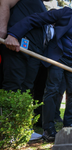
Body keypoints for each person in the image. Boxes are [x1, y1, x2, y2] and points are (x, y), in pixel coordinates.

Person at [4, 0, 72, 141]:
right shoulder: (66, 13)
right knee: (53, 89)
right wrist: (14, 33)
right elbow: (37, 18)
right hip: (57, 57)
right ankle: (48, 128)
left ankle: (68, 124)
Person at [0, 0, 51, 141]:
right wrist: (3, 31)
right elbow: (4, 2)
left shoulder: (41, 5)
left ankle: (22, 128)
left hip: (33, 52)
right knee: (13, 85)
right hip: (15, 45)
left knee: (27, 88)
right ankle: (8, 129)